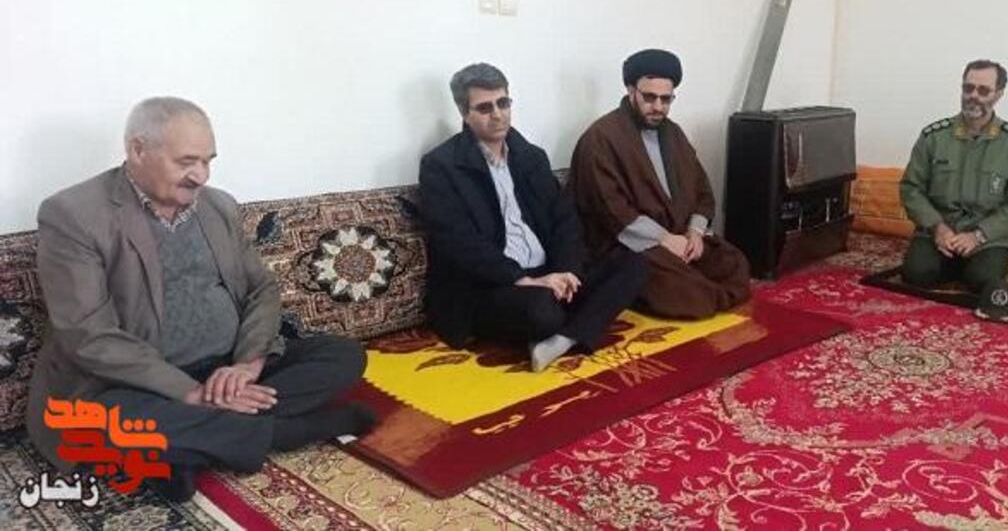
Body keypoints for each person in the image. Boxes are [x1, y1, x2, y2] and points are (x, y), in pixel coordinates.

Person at [26, 97, 372, 501]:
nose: (201, 176)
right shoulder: (73, 215)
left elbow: (261, 289)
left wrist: (247, 365)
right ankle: (283, 432)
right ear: (138, 150)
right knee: (98, 424)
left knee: (342, 355)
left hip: (226, 366)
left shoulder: (218, 206)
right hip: (135, 385)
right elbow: (88, 335)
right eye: (187, 162)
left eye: (208, 161)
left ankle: (185, 449)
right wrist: (189, 392)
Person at [418, 63, 647, 371]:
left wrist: (567, 272)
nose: (497, 114)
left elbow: (564, 220)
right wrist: (523, 279)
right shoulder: (441, 166)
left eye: (503, 103)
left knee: (633, 263)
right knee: (542, 310)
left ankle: (560, 339)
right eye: (484, 108)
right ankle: (569, 324)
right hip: (492, 285)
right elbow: (458, 242)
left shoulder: (531, 156)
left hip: (546, 272)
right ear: (463, 112)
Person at [568, 49, 750, 319]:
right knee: (688, 293)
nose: (658, 107)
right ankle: (696, 291)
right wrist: (664, 240)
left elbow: (701, 190)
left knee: (733, 263)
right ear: (631, 91)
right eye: (649, 97)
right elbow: (611, 211)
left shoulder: (673, 133)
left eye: (666, 99)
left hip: (679, 238)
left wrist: (694, 233)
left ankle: (703, 289)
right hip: (628, 246)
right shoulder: (600, 139)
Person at [897, 60, 1008, 308]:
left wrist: (978, 235)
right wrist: (938, 228)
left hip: (987, 237)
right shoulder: (934, 136)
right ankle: (951, 263)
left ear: (999, 94)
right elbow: (911, 188)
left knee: (984, 281)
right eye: (968, 88)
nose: (974, 96)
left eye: (983, 90)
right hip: (939, 231)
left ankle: (968, 267)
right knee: (916, 274)